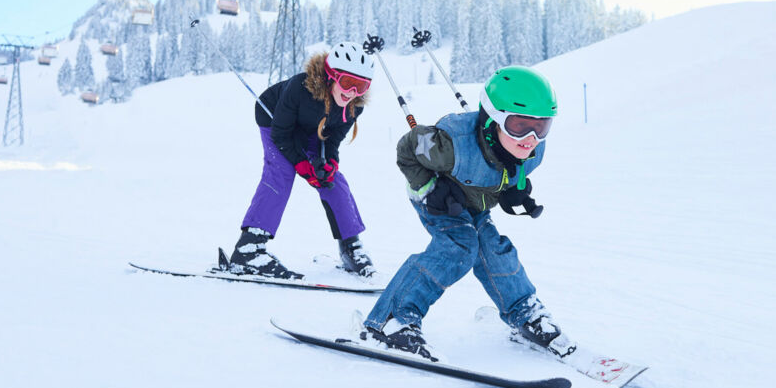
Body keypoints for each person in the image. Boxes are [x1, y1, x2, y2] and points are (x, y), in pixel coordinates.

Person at [361, 65, 568, 361]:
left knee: (493, 250)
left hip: (473, 202)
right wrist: (429, 188)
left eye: (543, 126)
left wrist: (511, 188)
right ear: (494, 119)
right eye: (520, 126)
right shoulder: (451, 145)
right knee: (459, 246)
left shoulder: (535, 151)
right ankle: (390, 321)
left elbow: (509, 168)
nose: (531, 137)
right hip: (436, 198)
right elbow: (408, 148)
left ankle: (525, 313)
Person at [221, 42, 376, 280]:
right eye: (347, 83)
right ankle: (248, 250)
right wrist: (302, 165)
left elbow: (332, 139)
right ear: (331, 76)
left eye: (362, 86)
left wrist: (329, 163)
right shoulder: (299, 88)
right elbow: (281, 135)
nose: (353, 92)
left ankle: (350, 248)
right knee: (281, 171)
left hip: (312, 130)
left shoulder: (353, 106)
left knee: (333, 180)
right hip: (275, 121)